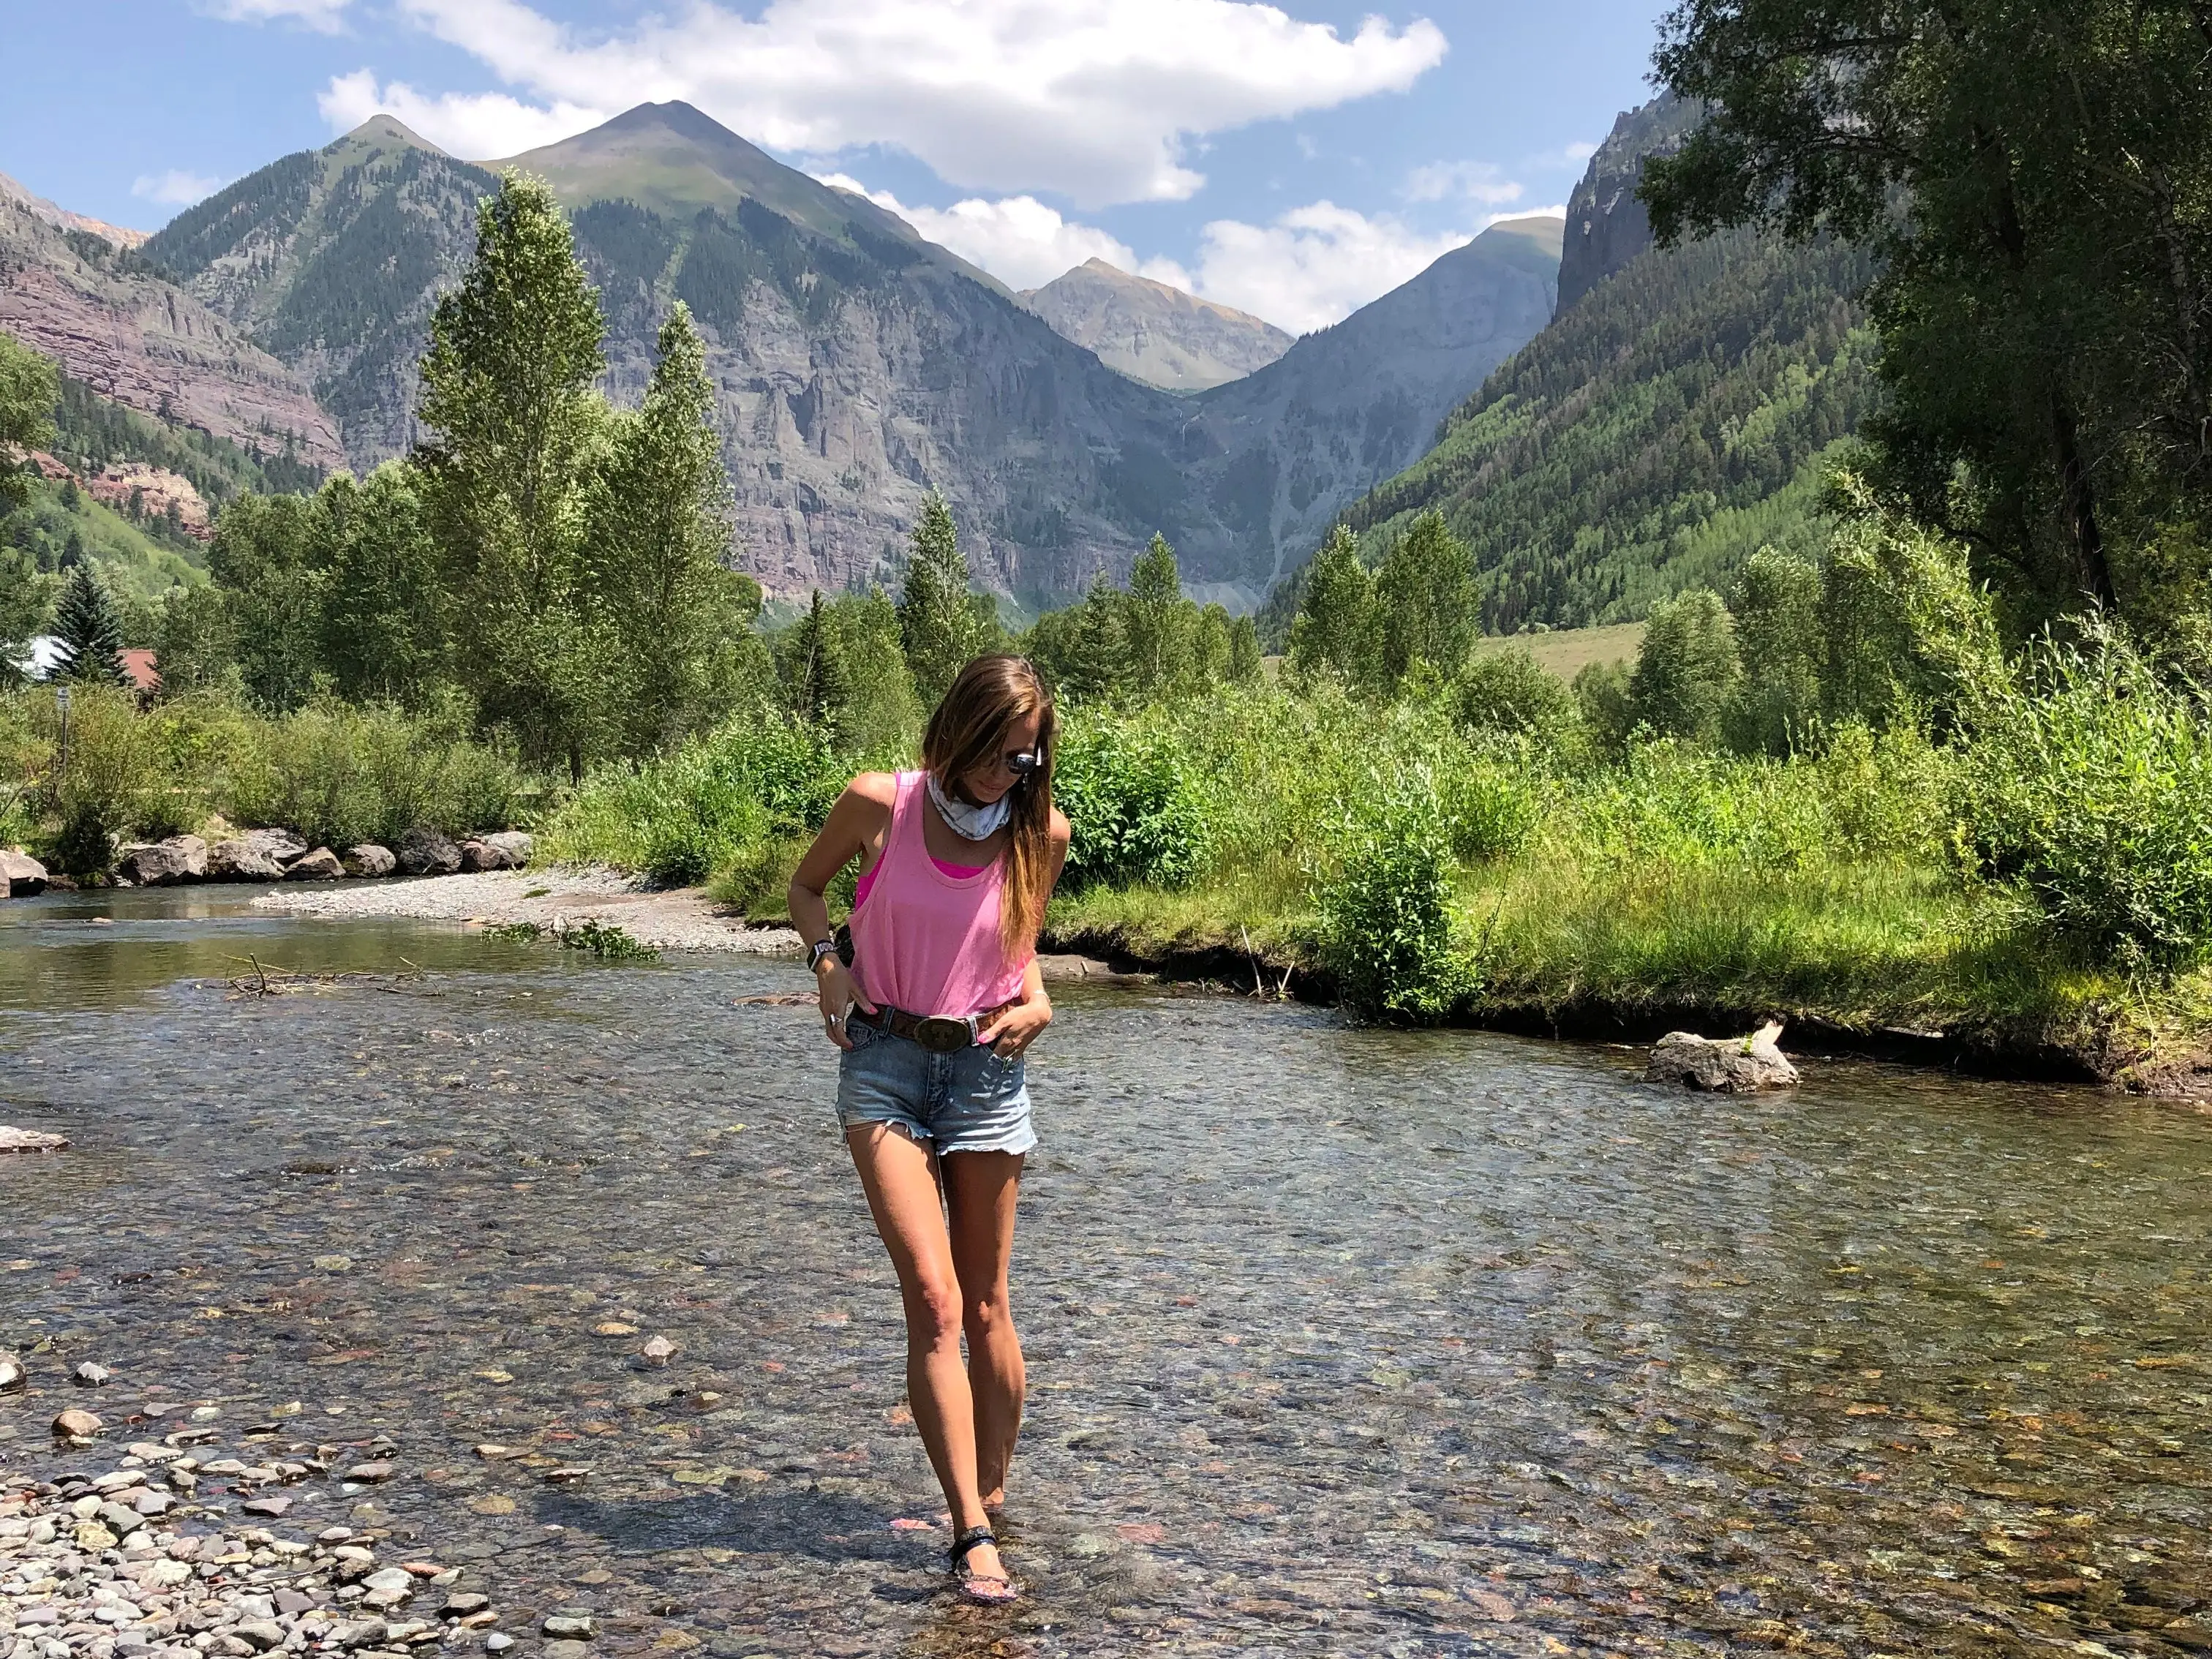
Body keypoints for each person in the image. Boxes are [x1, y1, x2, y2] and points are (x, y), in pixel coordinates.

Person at [788, 655, 1070, 1606]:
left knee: (989, 1306)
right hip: (884, 1068)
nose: (1011, 776)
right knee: (935, 1298)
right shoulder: (881, 804)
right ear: (960, 732)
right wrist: (829, 965)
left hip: (987, 1071)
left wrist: (1041, 1005)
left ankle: (987, 1491)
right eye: (999, 755)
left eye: (1028, 761)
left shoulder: (1043, 834)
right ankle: (971, 1533)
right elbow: (807, 892)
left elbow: (1019, 956)